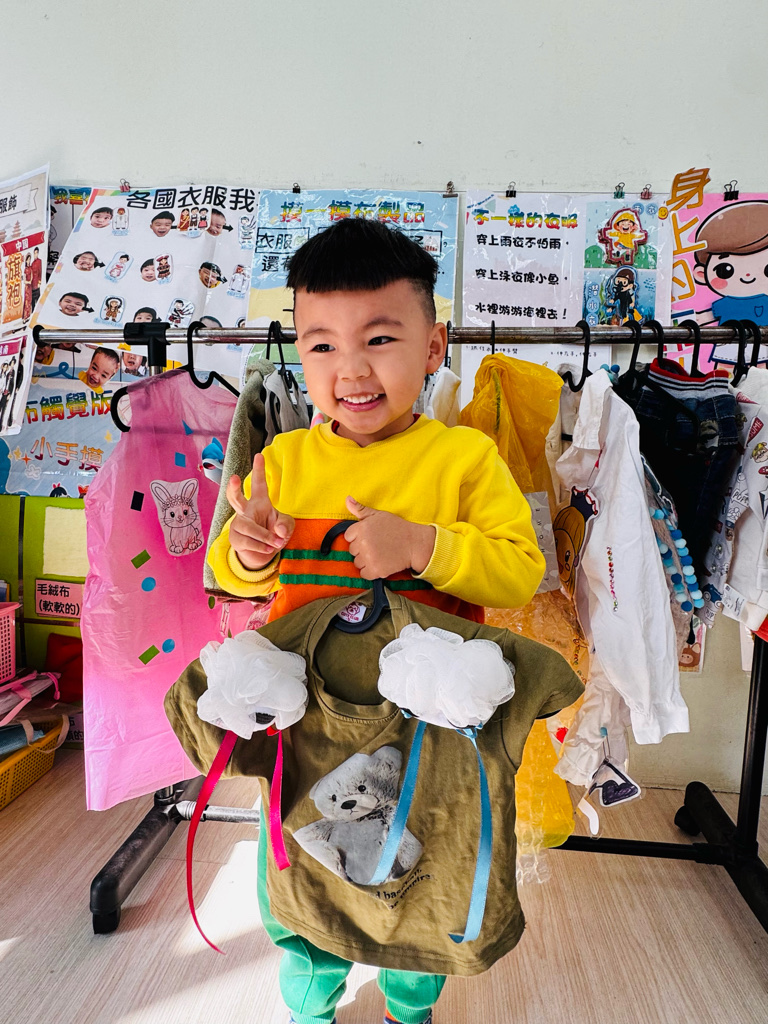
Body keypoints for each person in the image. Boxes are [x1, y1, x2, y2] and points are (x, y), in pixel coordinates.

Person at [207, 218, 546, 1024]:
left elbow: (520, 569)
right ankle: (310, 1004)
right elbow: (231, 573)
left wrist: (424, 546)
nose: (351, 369)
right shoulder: (285, 460)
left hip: (427, 738)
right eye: (321, 345)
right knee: (301, 871)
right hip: (309, 732)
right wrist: (248, 551)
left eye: (380, 339)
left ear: (434, 346)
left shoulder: (464, 460)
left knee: (423, 873)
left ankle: (408, 1005)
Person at [692, 200, 768, 326]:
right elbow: (703, 318)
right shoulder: (726, 304)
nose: (747, 274)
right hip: (730, 339)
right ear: (701, 274)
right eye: (725, 270)